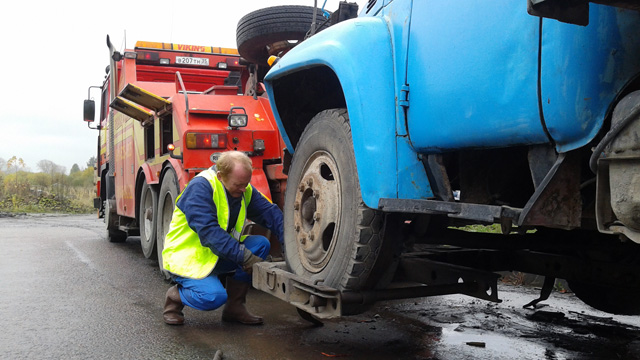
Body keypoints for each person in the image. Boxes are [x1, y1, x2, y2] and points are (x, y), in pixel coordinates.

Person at [161, 151, 283, 326]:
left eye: (246, 184)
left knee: (260, 244)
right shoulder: (200, 188)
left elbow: (270, 213)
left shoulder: (243, 188)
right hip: (188, 260)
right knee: (213, 297)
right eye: (239, 185)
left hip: (216, 254)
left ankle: (235, 308)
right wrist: (244, 257)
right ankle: (175, 298)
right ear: (220, 176)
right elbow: (211, 233)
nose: (244, 189)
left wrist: (292, 244)